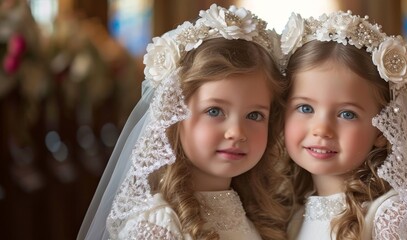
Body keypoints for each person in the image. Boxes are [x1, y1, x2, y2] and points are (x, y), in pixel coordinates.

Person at [77, 4, 289, 240]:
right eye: (215, 111)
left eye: (254, 115)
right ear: (173, 115)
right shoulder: (157, 226)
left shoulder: (258, 217)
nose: (237, 132)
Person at [280, 11, 407, 239]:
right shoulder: (295, 217)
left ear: (382, 129)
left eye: (347, 114)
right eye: (306, 108)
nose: (322, 129)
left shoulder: (389, 217)